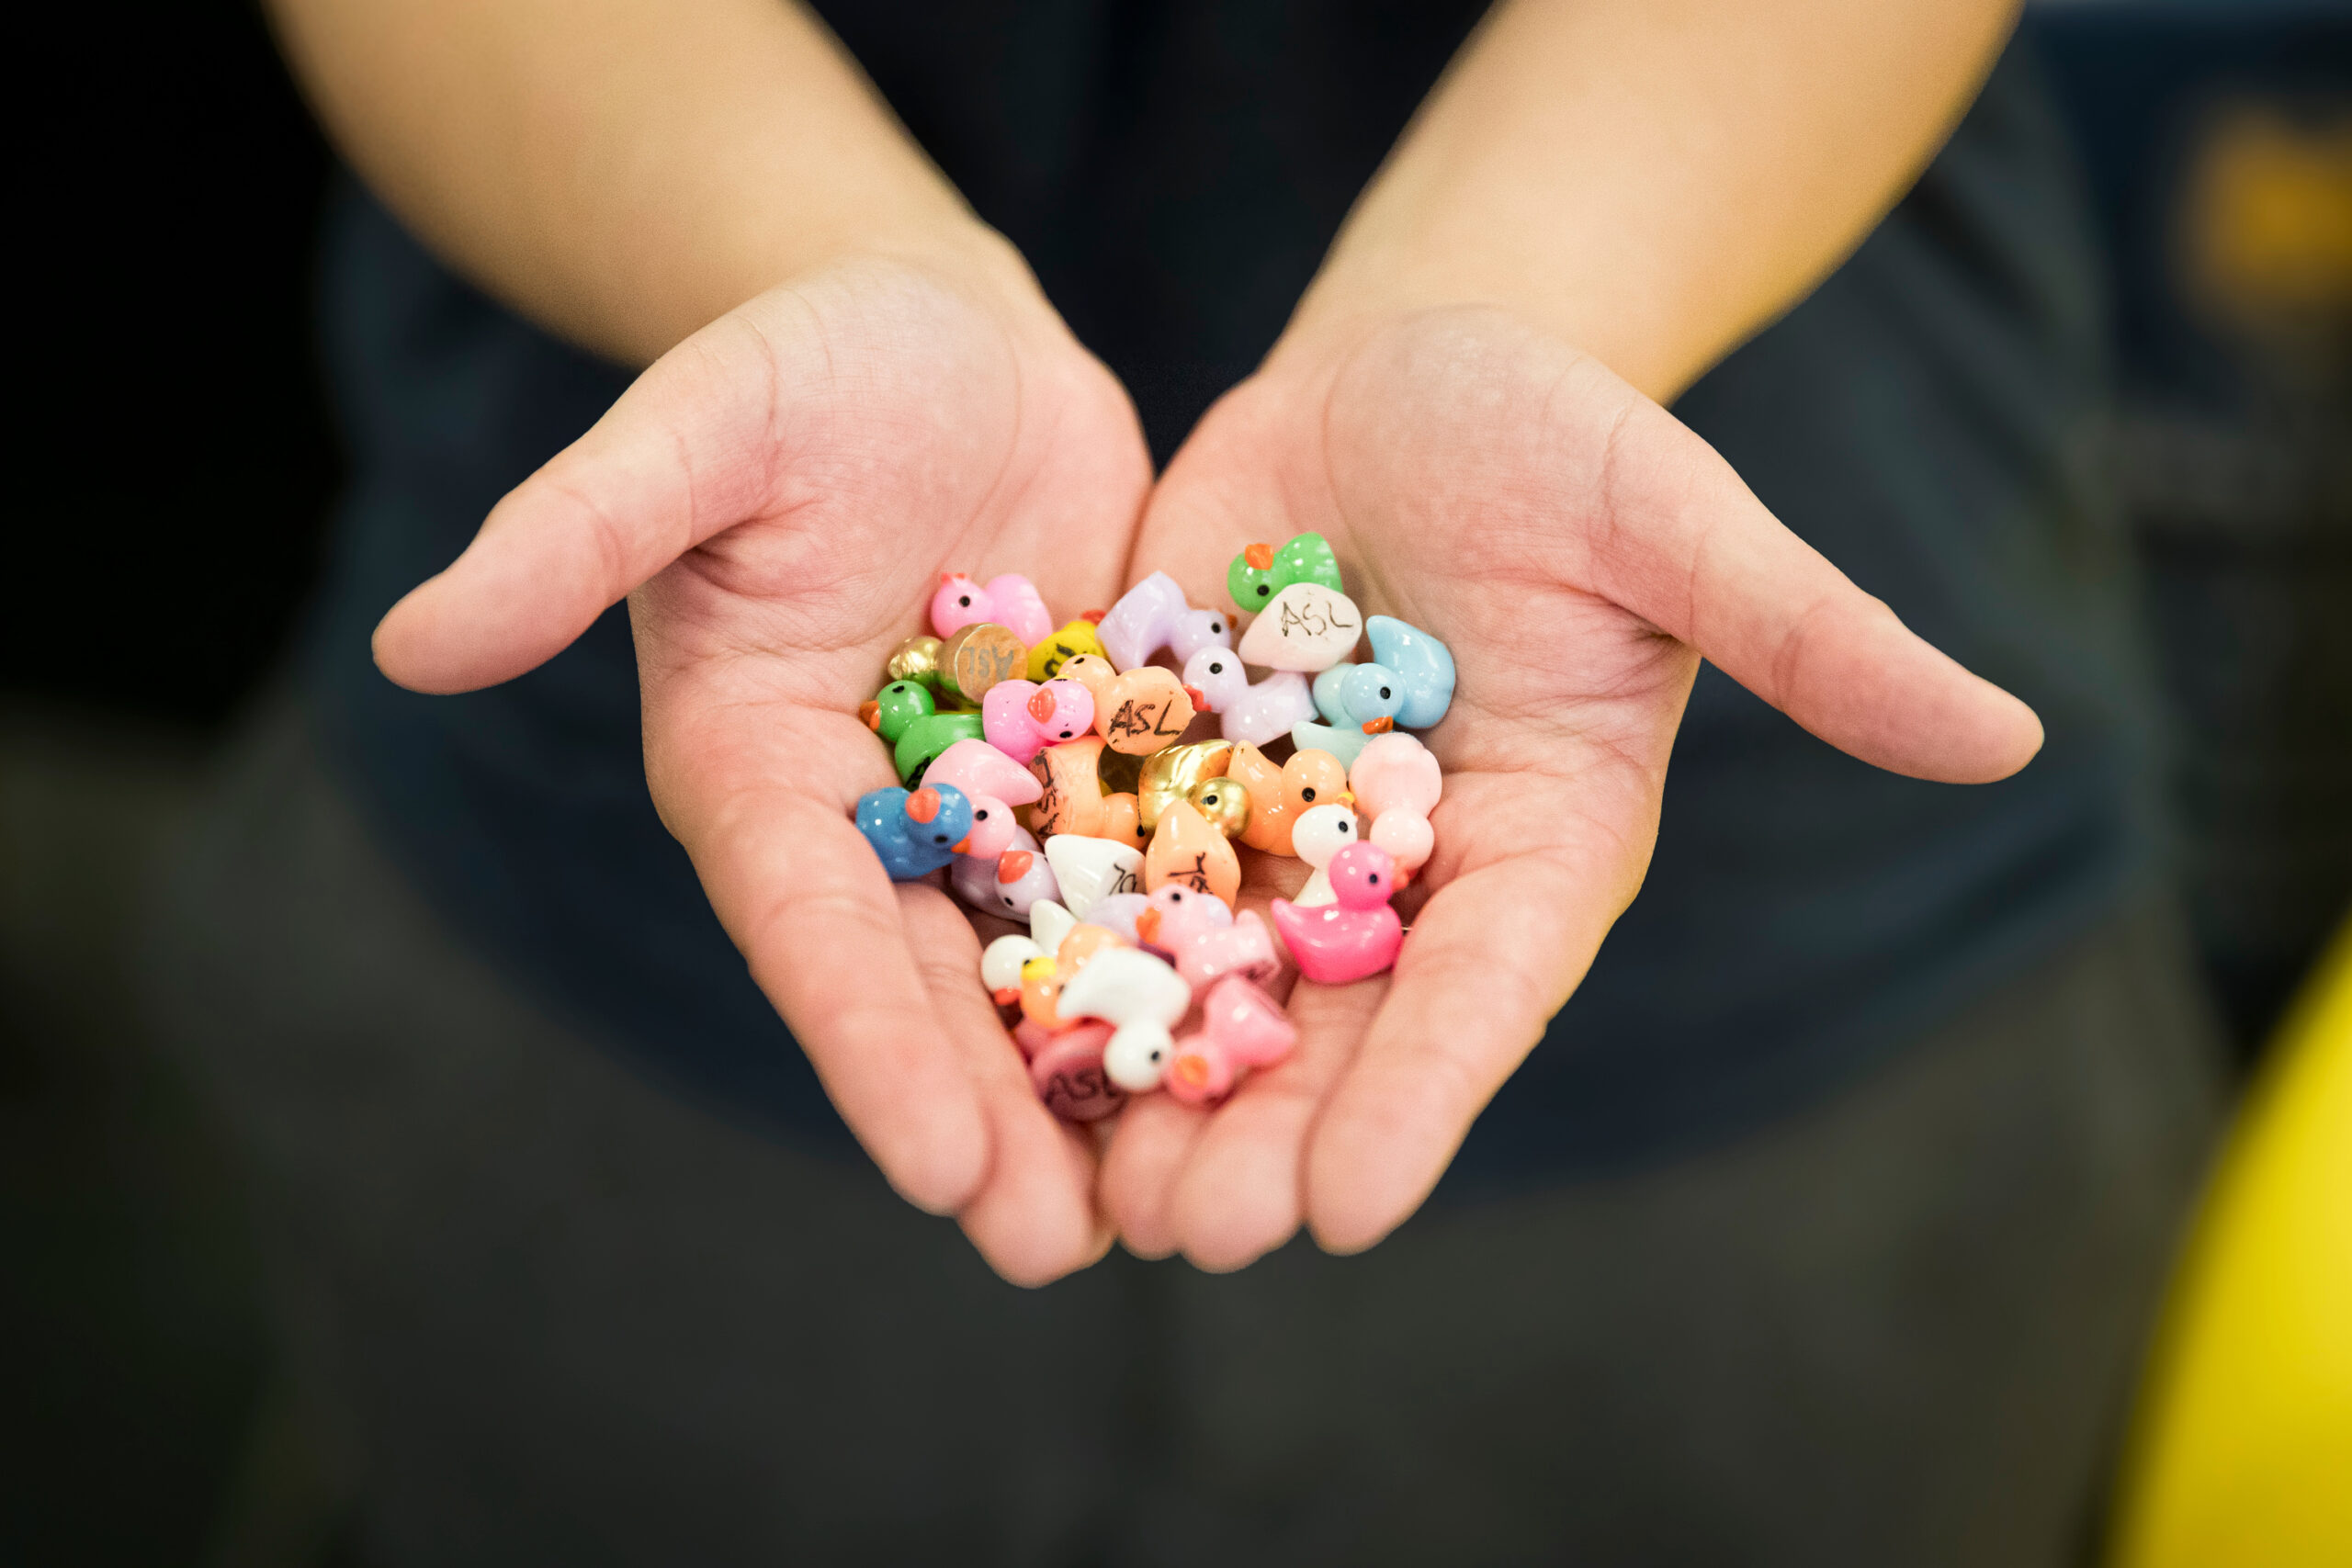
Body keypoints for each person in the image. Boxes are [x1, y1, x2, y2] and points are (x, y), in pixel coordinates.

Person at [150, 1, 2226, 1562]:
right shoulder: (1068, 765)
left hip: (1800, 998)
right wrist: (795, 259)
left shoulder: (1267, 758)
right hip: (599, 940)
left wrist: (1508, 296)